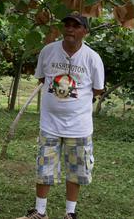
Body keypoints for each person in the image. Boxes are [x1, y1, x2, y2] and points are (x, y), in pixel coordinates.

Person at [18, 12, 104, 219]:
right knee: (44, 167)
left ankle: (70, 214)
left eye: (76, 26)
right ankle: (40, 212)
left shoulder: (92, 58)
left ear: (85, 31)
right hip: (50, 124)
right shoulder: (48, 52)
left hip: (79, 126)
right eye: (67, 25)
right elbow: (41, 79)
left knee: (76, 170)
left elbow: (97, 90)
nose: (70, 29)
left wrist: (74, 102)